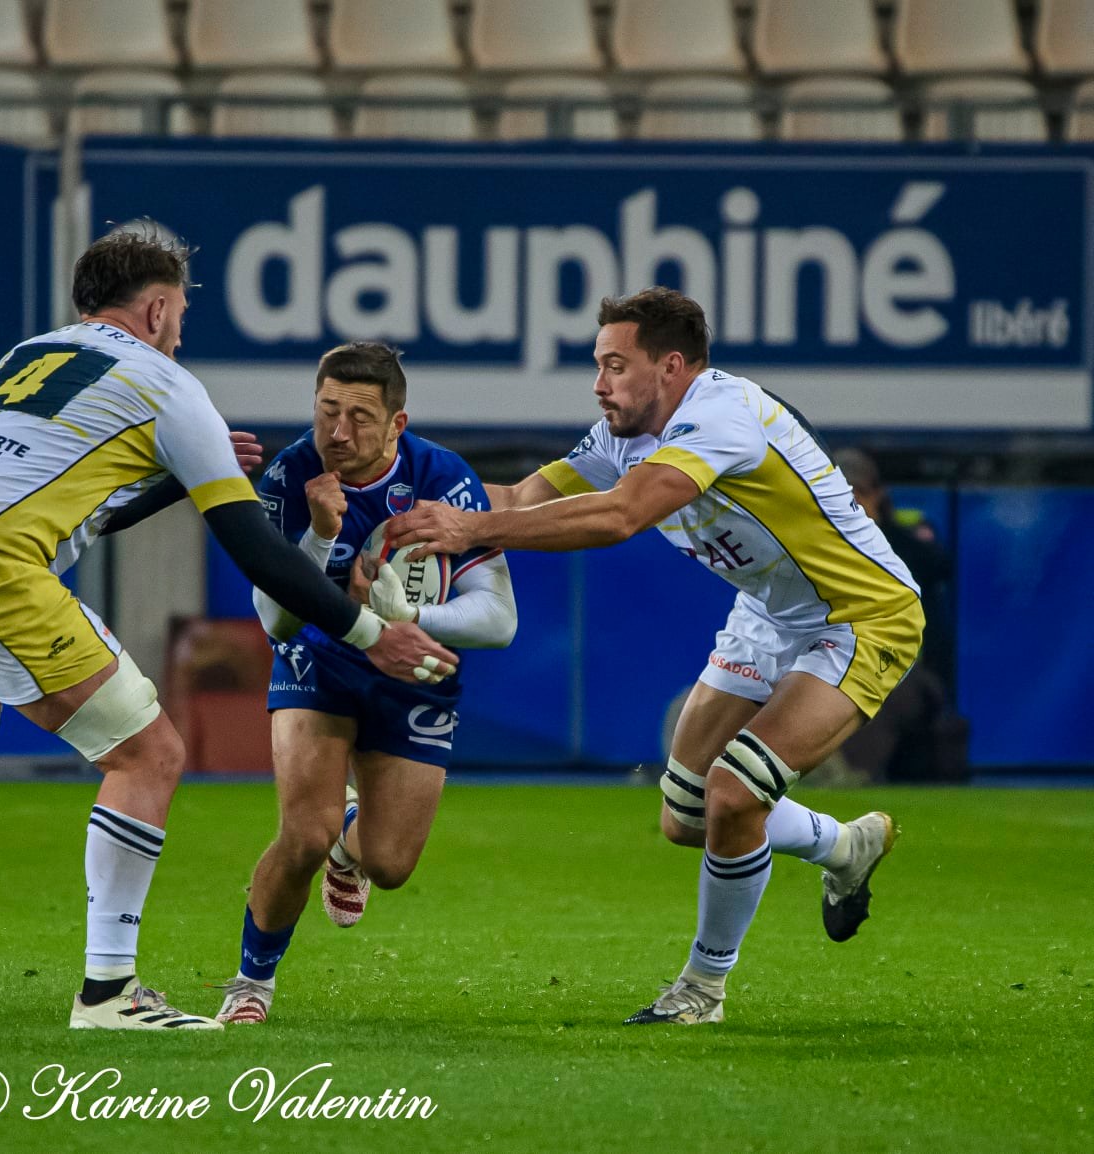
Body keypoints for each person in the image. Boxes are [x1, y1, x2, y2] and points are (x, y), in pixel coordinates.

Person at [0, 229, 458, 1030]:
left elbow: (74, 503)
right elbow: (255, 548)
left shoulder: (26, 356)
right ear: (156, 309)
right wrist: (369, 632)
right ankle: (107, 993)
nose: (180, 332)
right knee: (149, 754)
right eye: (180, 313)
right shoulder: (166, 382)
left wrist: (174, 480)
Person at [385, 287, 924, 1026]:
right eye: (598, 364)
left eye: (615, 365)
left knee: (734, 794)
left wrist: (471, 531)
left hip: (859, 615)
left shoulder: (722, 416)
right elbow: (516, 500)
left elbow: (620, 516)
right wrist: (402, 505)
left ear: (671, 367)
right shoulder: (621, 435)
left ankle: (702, 990)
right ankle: (844, 846)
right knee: (687, 815)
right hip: (769, 615)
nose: (598, 383)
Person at [213, 342, 518, 1026]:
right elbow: (275, 619)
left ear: (397, 424)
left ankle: (351, 839)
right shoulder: (289, 477)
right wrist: (320, 536)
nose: (338, 432)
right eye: (327, 411)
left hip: (412, 668)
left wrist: (408, 617)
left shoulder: (444, 479)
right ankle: (251, 984)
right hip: (318, 659)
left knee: (391, 864)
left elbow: (499, 619)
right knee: (303, 834)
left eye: (359, 416)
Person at [832, 448, 967, 783]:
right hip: (837, 661)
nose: (852, 502)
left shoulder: (904, 536)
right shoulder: (819, 543)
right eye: (842, 493)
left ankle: (851, 775)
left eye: (859, 493)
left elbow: (937, 565)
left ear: (878, 494)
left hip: (911, 671)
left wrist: (874, 528)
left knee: (877, 689)